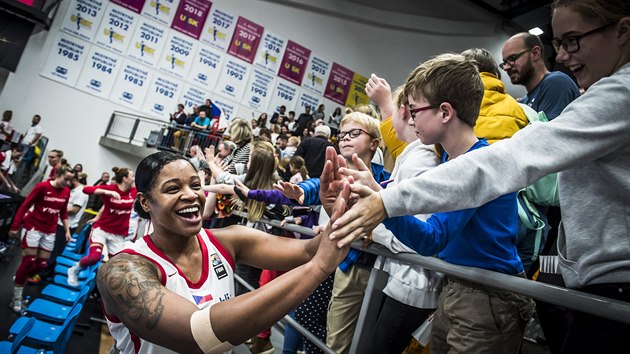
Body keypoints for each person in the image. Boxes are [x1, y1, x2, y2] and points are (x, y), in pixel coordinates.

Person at [332, 1, 630, 352]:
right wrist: (382, 206)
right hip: (465, 287)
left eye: (573, 40)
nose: (562, 56)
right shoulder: (453, 164)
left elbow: (438, 232)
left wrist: (385, 206)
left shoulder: (619, 94)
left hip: (494, 296)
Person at [97, 151, 352, 354]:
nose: (190, 195)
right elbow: (198, 337)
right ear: (144, 202)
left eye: (195, 185)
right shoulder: (123, 270)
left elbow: (309, 249)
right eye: (173, 189)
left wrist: (338, 213)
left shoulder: (228, 240)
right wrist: (317, 268)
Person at [9, 165, 73, 312]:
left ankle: (20, 277)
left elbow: (62, 212)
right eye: (66, 179)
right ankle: (16, 301)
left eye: (70, 180)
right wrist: (15, 225)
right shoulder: (42, 187)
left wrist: (67, 230)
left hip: (49, 231)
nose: (67, 183)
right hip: (33, 227)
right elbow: (25, 206)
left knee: (42, 264)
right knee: (29, 261)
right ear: (58, 174)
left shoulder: (66, 192)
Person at [67, 166, 137, 286]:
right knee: (94, 257)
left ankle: (103, 288)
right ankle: (74, 270)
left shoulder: (133, 191)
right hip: (102, 229)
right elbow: (86, 190)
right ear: (125, 178)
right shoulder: (111, 188)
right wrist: (106, 192)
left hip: (119, 234)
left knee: (119, 265)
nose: (133, 178)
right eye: (132, 176)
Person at [501, 32, 580, 120]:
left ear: (535, 53)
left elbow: (549, 132)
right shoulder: (524, 102)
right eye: (504, 63)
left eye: (512, 58)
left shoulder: (555, 82)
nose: (506, 67)